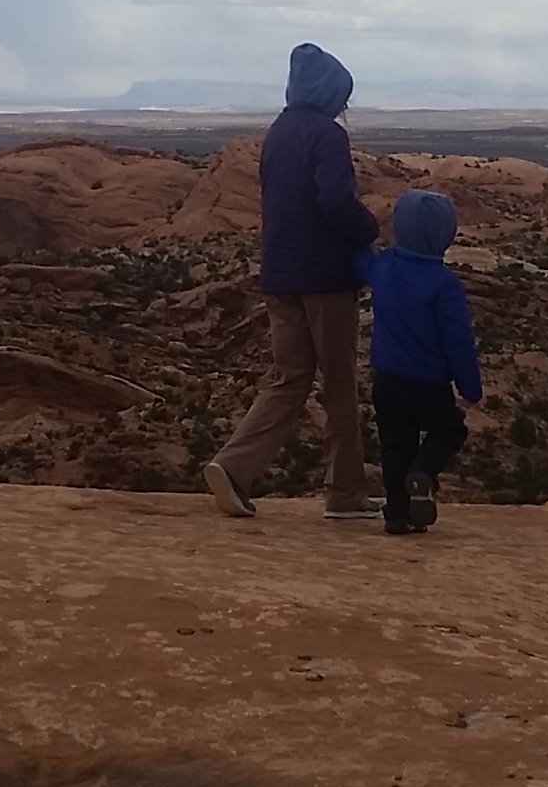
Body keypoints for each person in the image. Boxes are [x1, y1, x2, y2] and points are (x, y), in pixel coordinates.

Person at [202, 43, 382, 521]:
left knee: (289, 379)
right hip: (324, 278)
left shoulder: (279, 132)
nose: (345, 107)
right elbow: (335, 202)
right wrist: (370, 229)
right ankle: (345, 494)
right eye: (343, 96)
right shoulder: (327, 136)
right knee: (339, 383)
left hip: (279, 274)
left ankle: (232, 466)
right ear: (329, 93)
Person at [357, 189, 484, 536]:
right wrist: (470, 387)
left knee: (395, 444)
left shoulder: (382, 266)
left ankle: (397, 515)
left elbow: (358, 257)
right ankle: (424, 473)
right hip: (428, 384)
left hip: (387, 380)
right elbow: (458, 342)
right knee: (449, 429)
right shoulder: (443, 283)